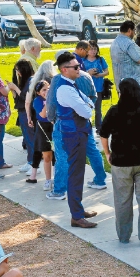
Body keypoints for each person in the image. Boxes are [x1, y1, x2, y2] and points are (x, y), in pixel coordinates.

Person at [99, 78, 140, 245]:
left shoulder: (114, 111)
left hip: (120, 162)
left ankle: (124, 236)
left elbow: (103, 135)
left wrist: (107, 153)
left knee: (122, 200)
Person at [53, 52, 98, 228]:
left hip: (77, 133)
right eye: (75, 67)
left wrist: (87, 105)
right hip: (74, 135)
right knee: (76, 174)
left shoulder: (71, 85)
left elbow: (90, 104)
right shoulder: (65, 89)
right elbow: (87, 112)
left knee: (78, 173)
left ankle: (78, 210)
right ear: (65, 70)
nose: (79, 69)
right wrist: (87, 106)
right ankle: (76, 216)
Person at [21, 60, 57, 174]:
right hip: (51, 118)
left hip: (38, 117)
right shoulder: (53, 81)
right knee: (54, 147)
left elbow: (27, 102)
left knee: (38, 145)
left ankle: (33, 169)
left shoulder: (34, 82)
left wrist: (29, 117)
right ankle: (54, 171)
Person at [27, 81, 54, 188]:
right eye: (44, 90)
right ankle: (48, 180)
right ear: (38, 92)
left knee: (58, 155)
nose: (47, 91)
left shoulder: (55, 97)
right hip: (44, 128)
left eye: (48, 88)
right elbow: (43, 114)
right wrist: (48, 100)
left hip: (55, 127)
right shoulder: (37, 101)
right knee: (47, 156)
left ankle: (58, 179)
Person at [111, 20, 140, 91]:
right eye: (134, 31)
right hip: (133, 85)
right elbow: (139, 59)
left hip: (121, 82)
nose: (134, 33)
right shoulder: (129, 43)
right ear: (130, 30)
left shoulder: (115, 41)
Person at [83, 40, 110, 132]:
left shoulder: (100, 59)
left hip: (98, 87)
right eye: (91, 49)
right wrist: (88, 73)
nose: (93, 51)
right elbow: (79, 73)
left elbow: (107, 71)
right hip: (86, 88)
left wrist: (100, 75)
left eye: (95, 49)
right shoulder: (83, 60)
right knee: (86, 108)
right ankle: (87, 126)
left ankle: (99, 126)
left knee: (98, 109)